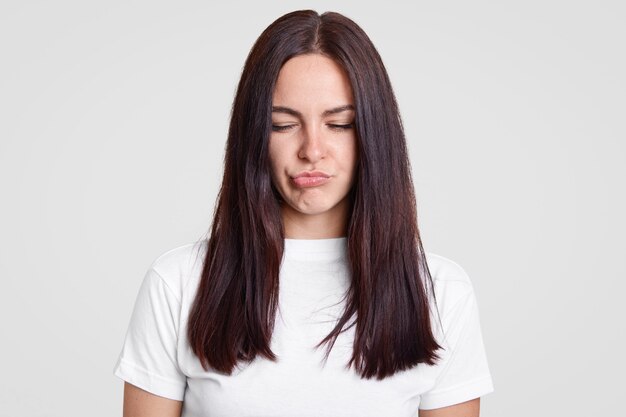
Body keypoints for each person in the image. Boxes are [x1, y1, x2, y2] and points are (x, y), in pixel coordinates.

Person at [113, 9, 494, 417]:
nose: (312, 150)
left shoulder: (440, 291)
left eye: (340, 124)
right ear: (254, 136)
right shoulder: (178, 283)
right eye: (282, 125)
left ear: (373, 134)